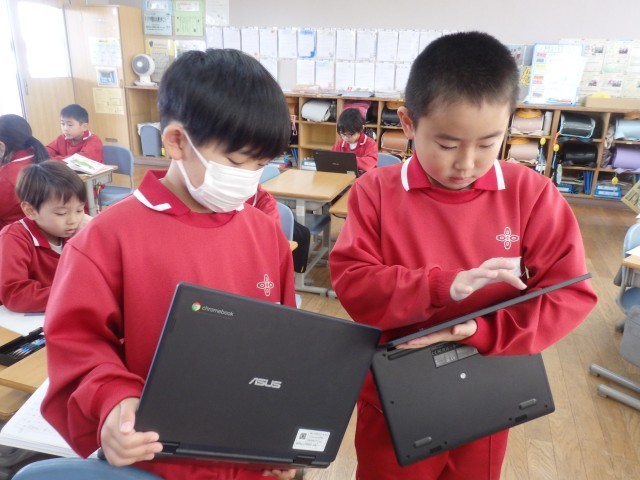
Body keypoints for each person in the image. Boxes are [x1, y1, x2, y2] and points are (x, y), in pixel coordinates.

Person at [329, 31, 598, 480]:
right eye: (447, 145)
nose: (467, 163)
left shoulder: (530, 193)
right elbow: (354, 283)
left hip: (487, 387)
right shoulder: (375, 191)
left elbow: (569, 292)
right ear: (408, 123)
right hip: (397, 393)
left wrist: (481, 330)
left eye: (489, 143)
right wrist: (443, 286)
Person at [41, 49, 297, 480]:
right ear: (177, 141)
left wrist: (281, 436)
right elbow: (77, 346)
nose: (250, 178)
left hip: (246, 453)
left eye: (261, 164)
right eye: (238, 162)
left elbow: (283, 345)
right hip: (158, 461)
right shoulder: (107, 237)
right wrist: (113, 401)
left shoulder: (264, 232)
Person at [0, 160, 89, 312]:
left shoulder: (75, 231)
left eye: (79, 210)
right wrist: (74, 295)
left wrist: (94, 233)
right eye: (61, 213)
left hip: (65, 309)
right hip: (24, 320)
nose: (73, 220)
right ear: (30, 211)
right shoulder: (14, 238)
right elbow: (15, 294)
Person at [0, 114, 50, 230]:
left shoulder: (5, 178)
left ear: (1, 145)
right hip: (42, 229)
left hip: (15, 233)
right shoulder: (41, 156)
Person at [331, 107, 378, 173]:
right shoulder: (340, 143)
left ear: (361, 129)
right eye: (343, 134)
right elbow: (332, 158)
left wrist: (349, 160)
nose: (346, 138)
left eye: (349, 135)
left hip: (366, 176)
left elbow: (370, 163)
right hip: (346, 175)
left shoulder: (370, 143)